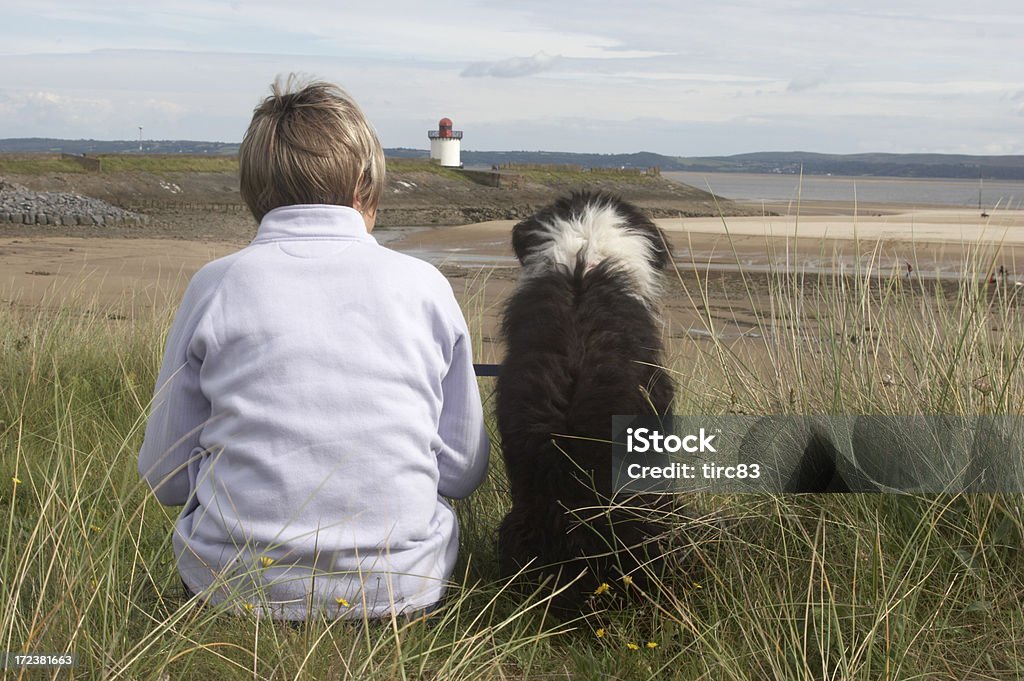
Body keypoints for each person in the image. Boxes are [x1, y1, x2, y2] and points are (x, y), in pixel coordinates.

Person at [138, 77, 490, 621]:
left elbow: (165, 474)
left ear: (253, 190)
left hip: (232, 591)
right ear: (365, 185)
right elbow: (463, 472)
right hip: (401, 590)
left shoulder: (216, 285)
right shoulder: (424, 286)